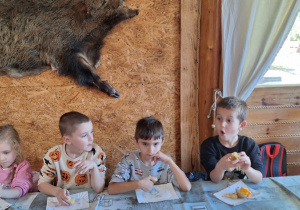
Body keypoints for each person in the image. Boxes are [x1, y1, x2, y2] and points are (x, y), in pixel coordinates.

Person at [108, 116, 191, 195]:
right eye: (145, 144)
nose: (151, 150)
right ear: (136, 142)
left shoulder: (166, 162)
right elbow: (111, 189)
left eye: (156, 144)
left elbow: (186, 187)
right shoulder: (129, 159)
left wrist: (170, 161)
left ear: (162, 142)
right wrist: (138, 184)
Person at [38, 111, 106, 206]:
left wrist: (94, 167)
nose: (91, 138)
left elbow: (99, 189)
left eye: (91, 132)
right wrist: (57, 192)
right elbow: (42, 185)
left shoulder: (96, 152)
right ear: (67, 140)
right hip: (65, 201)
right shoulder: (53, 155)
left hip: (89, 200)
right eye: (84, 135)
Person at [200, 96, 263, 184]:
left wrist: (247, 169)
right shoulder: (209, 145)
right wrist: (221, 166)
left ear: (241, 125)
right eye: (219, 118)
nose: (222, 124)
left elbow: (258, 179)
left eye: (229, 120)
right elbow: (214, 179)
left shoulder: (249, 145)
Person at [0, 124, 33, 198]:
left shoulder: (23, 166)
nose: (1, 158)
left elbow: (20, 189)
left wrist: (1, 193)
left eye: (6, 152)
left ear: (17, 149)